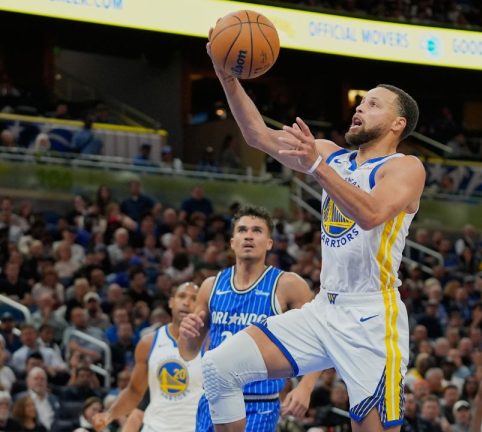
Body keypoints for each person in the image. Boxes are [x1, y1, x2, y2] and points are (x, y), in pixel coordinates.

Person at [185, 32, 424, 432]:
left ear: (398, 123)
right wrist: (226, 76)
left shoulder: (405, 167)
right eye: (361, 100)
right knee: (219, 368)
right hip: (323, 309)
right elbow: (257, 135)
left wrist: (316, 167)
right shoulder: (331, 154)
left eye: (373, 104)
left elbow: (370, 214)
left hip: (371, 317)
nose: (360, 107)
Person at [180, 206, 321, 431]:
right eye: (242, 230)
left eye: (257, 230)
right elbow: (187, 352)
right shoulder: (210, 286)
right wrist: (187, 334)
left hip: (260, 404)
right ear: (232, 241)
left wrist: (306, 387)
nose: (248, 235)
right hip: (212, 401)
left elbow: (321, 338)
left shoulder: (288, 285)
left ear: (269, 243)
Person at [92, 282, 203, 431]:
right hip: (155, 427)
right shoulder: (149, 343)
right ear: (171, 302)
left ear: (201, 306)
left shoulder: (210, 343)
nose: (186, 302)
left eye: (194, 298)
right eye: (181, 296)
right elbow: (134, 391)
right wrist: (109, 415)